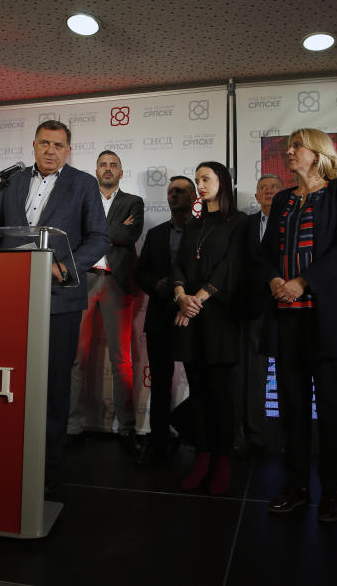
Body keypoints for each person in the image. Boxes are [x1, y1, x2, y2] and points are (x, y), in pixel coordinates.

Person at [0, 120, 109, 493]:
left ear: (68, 150)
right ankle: (9, 452)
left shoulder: (83, 183)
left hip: (59, 298)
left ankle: (47, 463)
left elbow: (99, 238)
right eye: (44, 143)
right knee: (11, 379)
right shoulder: (13, 182)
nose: (51, 150)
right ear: (34, 146)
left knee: (54, 383)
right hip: (10, 298)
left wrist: (65, 267)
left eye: (59, 145)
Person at [260, 129, 337, 524]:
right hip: (288, 320)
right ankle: (296, 487)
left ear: (317, 154)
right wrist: (273, 280)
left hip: (327, 319)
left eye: (295, 147)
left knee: (333, 409)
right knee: (292, 408)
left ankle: (331, 492)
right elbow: (265, 251)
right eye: (289, 147)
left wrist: (303, 282)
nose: (288, 152)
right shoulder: (283, 198)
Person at [172, 161, 247, 495]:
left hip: (219, 317)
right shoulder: (194, 223)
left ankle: (223, 461)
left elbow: (231, 268)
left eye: (206, 179)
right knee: (198, 392)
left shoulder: (239, 222)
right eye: (197, 179)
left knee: (220, 394)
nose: (200, 185)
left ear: (223, 182)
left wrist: (197, 300)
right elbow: (180, 265)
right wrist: (180, 295)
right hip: (190, 314)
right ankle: (201, 459)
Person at [68, 150, 144, 450]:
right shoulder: (83, 199)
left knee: (121, 359)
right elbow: (74, 236)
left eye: (114, 165)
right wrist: (111, 232)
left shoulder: (133, 202)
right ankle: (71, 425)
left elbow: (128, 235)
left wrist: (95, 234)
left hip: (116, 282)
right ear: (96, 170)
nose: (108, 169)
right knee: (75, 357)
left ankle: (126, 426)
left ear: (121, 173)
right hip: (82, 280)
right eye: (103, 165)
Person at [134, 176, 198, 465]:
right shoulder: (157, 233)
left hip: (194, 317)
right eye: (171, 191)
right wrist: (156, 285)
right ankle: (158, 440)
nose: (174, 195)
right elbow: (141, 271)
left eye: (181, 191)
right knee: (160, 382)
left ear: (195, 196)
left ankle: (200, 439)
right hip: (160, 315)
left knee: (200, 383)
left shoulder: (203, 231)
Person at [234, 173, 281, 455]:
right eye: (263, 188)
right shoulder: (246, 224)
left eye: (274, 187)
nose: (269, 191)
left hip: (284, 306)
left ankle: (275, 435)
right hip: (250, 308)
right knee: (248, 373)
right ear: (256, 195)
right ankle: (246, 434)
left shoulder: (292, 223)